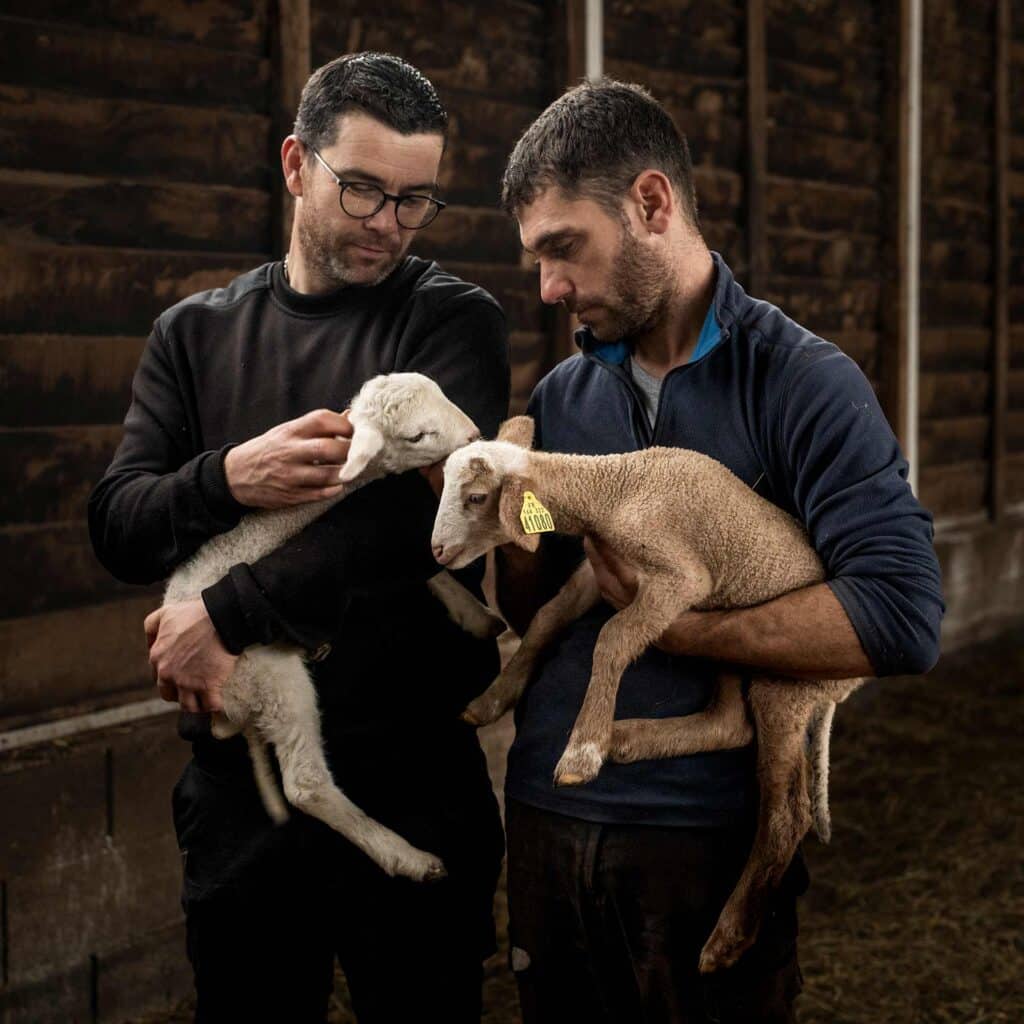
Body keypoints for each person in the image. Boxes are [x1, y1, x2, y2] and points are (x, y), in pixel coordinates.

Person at [493, 79, 944, 1024]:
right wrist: (511, 506)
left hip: (698, 841)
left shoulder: (805, 383)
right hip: (547, 817)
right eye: (535, 261)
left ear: (652, 204)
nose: (549, 289)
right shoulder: (567, 393)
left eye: (563, 250)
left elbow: (901, 617)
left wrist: (681, 631)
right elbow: (525, 585)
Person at [88, 53, 509, 1023]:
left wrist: (220, 615)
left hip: (411, 770)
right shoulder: (193, 335)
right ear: (293, 165)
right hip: (245, 797)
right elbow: (118, 523)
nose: (387, 225)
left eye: (414, 201)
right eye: (361, 189)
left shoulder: (450, 321)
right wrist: (227, 475)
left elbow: (409, 521)